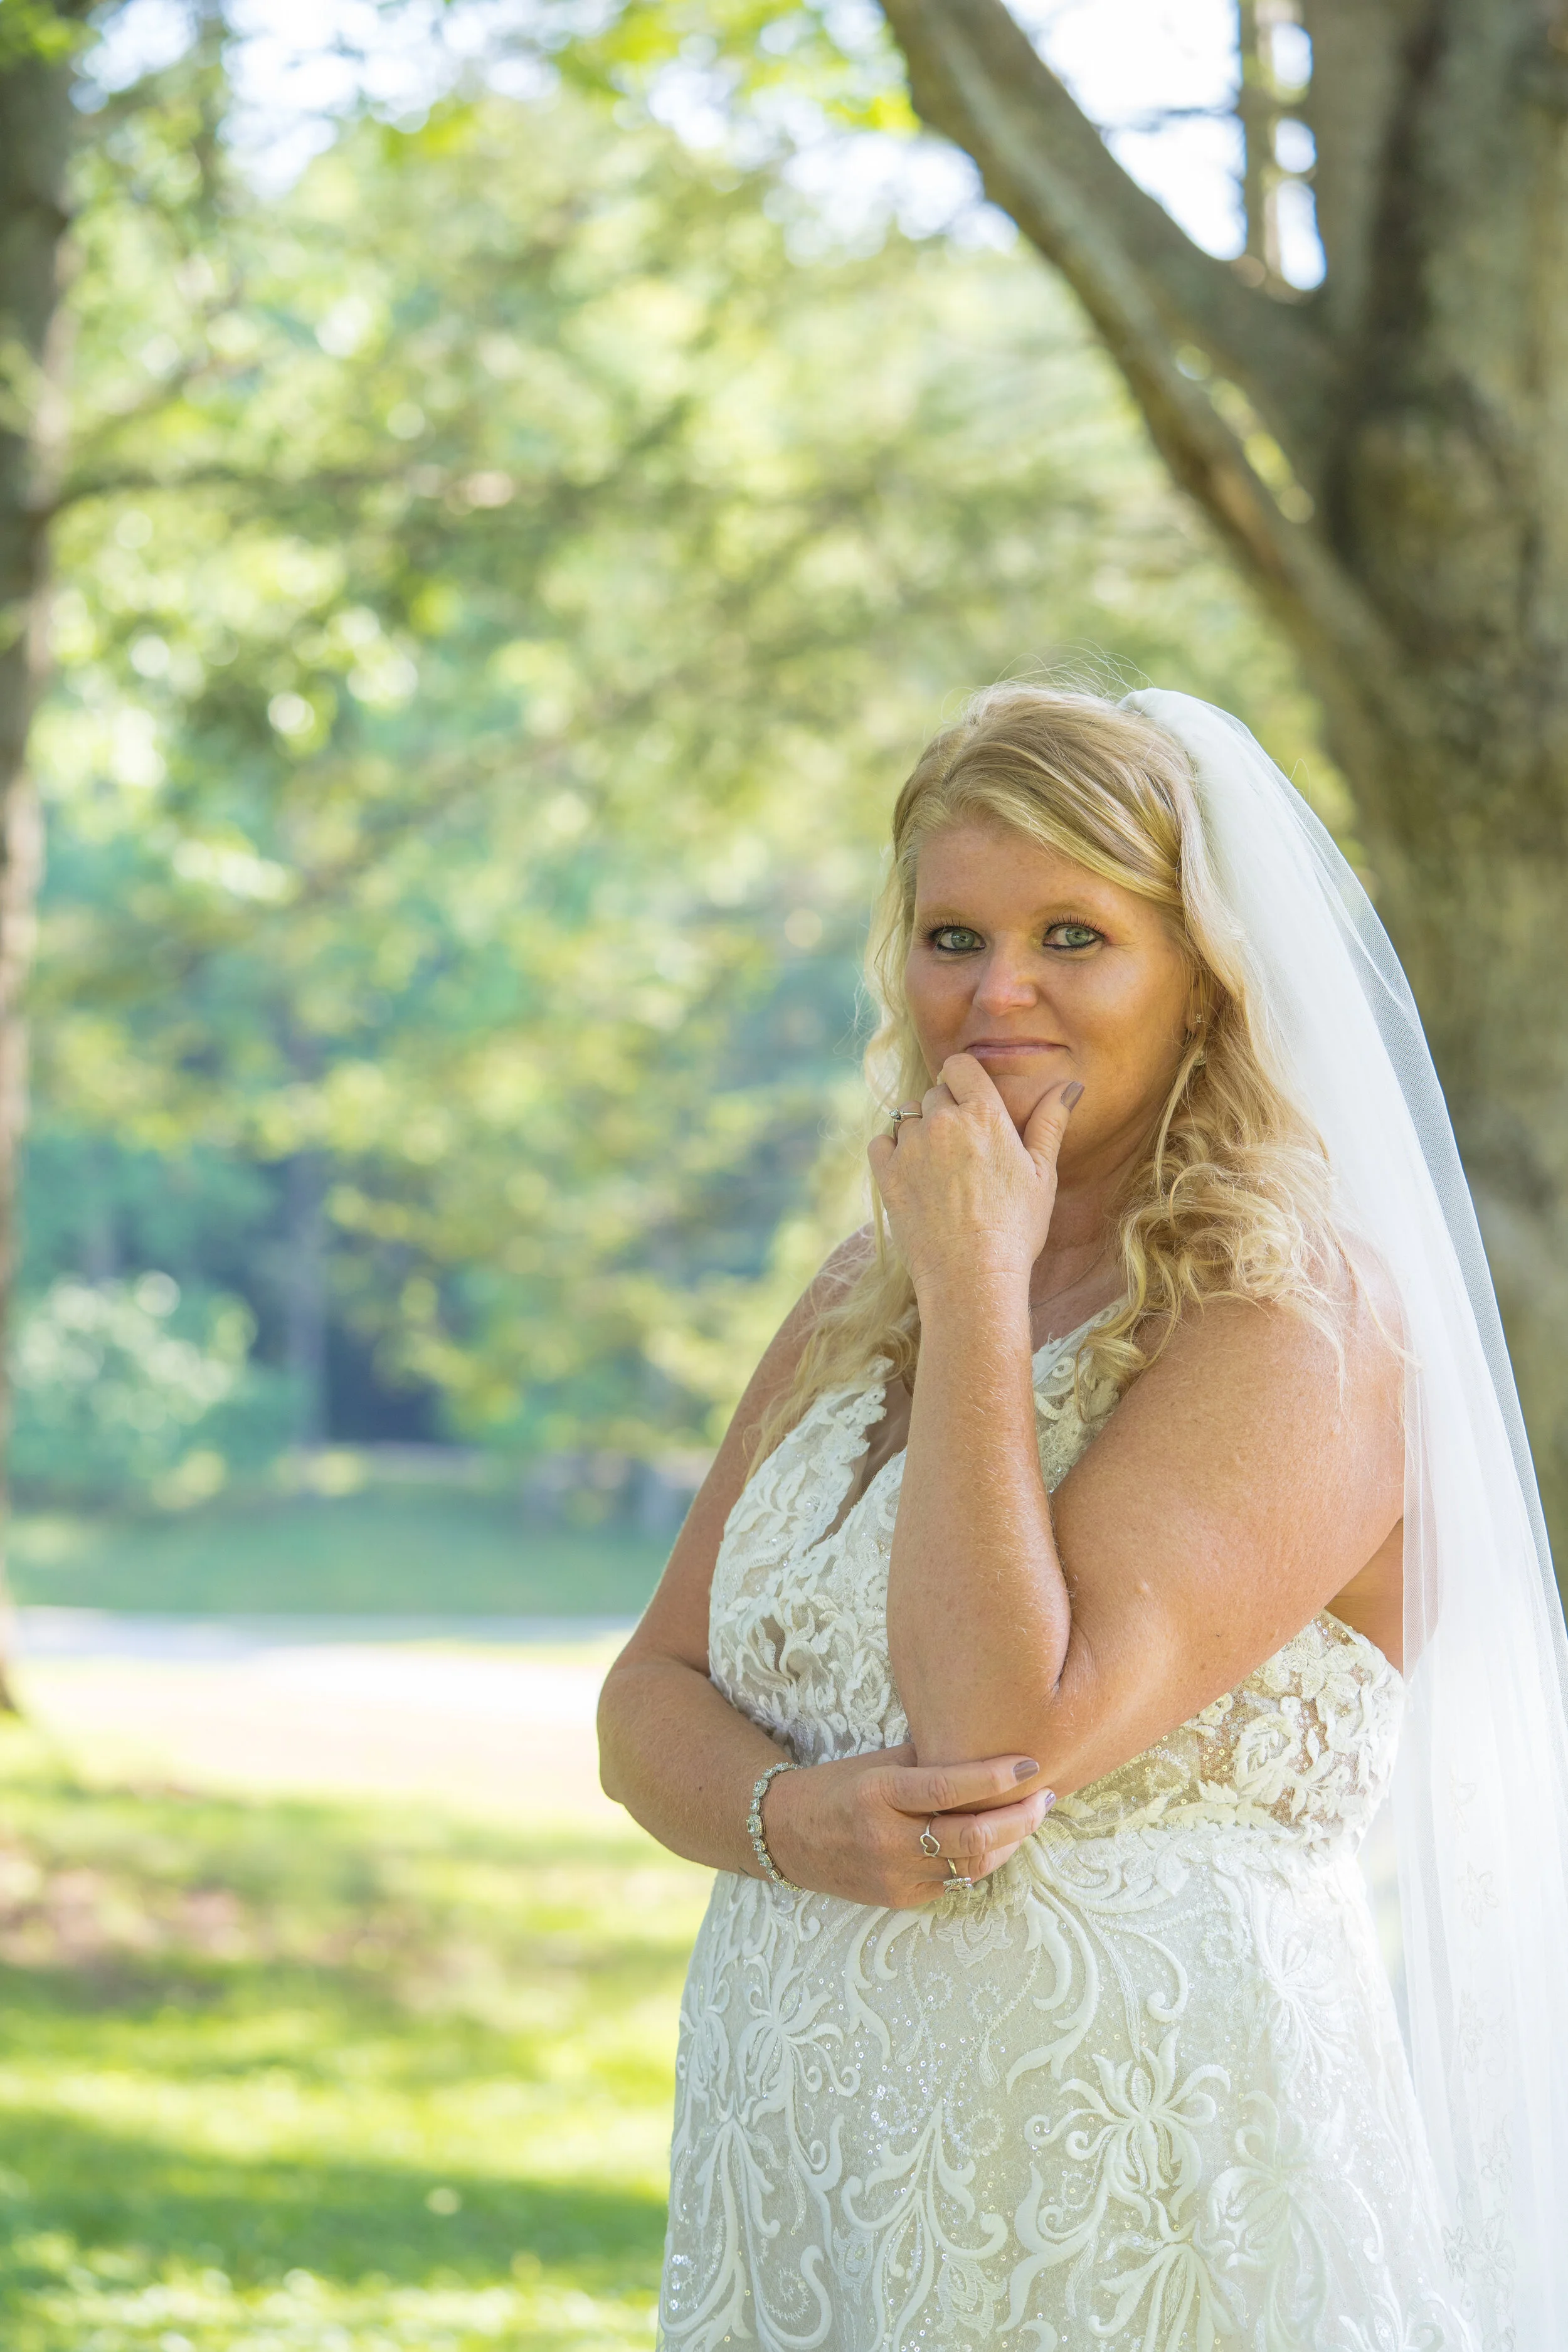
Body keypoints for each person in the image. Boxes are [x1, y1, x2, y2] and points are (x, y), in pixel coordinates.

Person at [596, 684, 1568, 2352]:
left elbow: (1004, 1722)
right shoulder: (858, 1291)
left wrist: (977, 1281)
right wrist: (782, 1814)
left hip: (1136, 2170)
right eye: (950, 933)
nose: (997, 992)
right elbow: (643, 1699)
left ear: (1202, 972)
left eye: (1074, 934)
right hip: (812, 2138)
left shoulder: (1294, 1312)